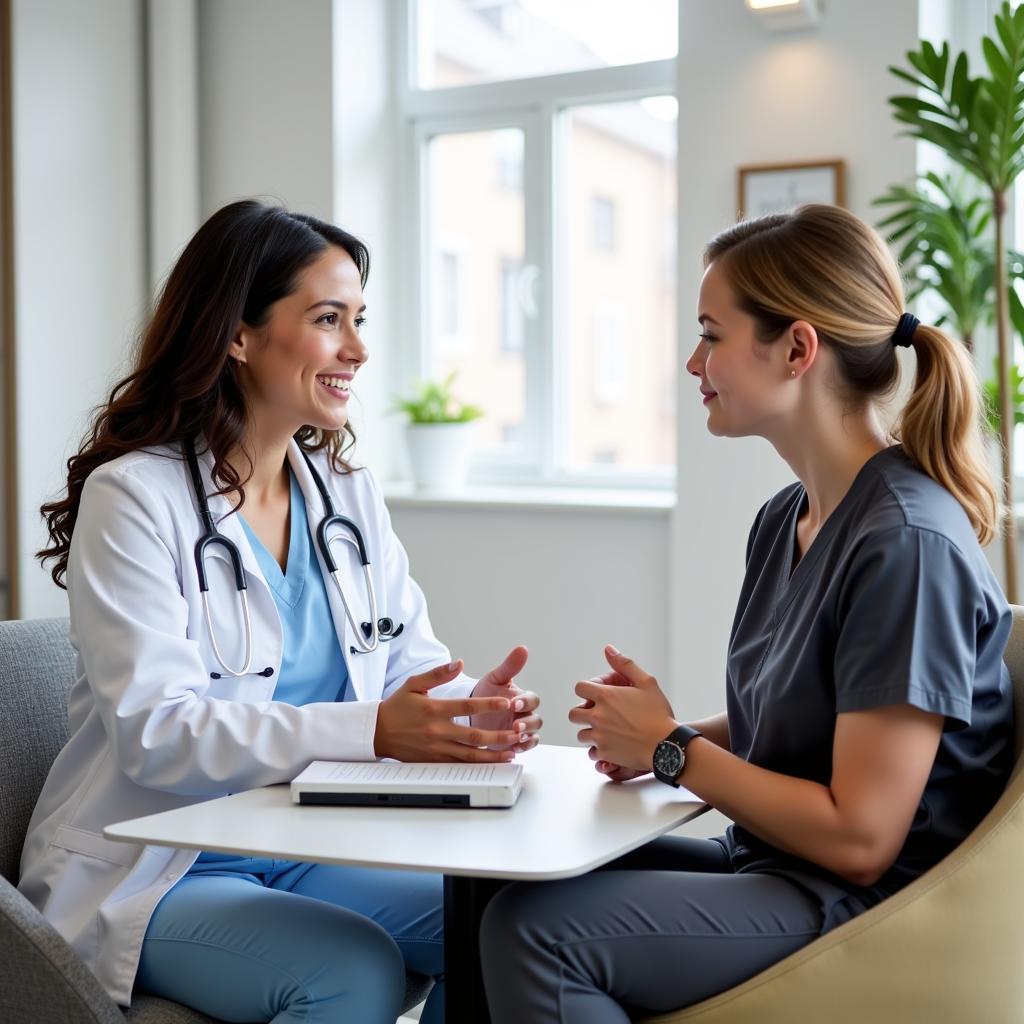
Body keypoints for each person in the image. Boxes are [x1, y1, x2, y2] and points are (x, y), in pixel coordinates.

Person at [478, 203, 1014, 1023]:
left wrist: (671, 750)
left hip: (867, 902)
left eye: (710, 334)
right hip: (776, 864)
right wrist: (649, 737)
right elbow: (813, 719)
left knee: (541, 934)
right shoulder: (789, 518)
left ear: (798, 349)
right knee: (498, 881)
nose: (694, 362)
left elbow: (862, 839)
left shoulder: (906, 546)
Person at [19, 199, 542, 1024]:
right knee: (353, 973)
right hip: (160, 861)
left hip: (304, 843)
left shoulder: (345, 494)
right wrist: (374, 731)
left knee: (498, 927)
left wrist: (475, 713)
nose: (358, 350)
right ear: (239, 334)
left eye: (359, 319)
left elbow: (407, 662)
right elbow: (159, 733)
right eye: (329, 319)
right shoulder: (135, 498)